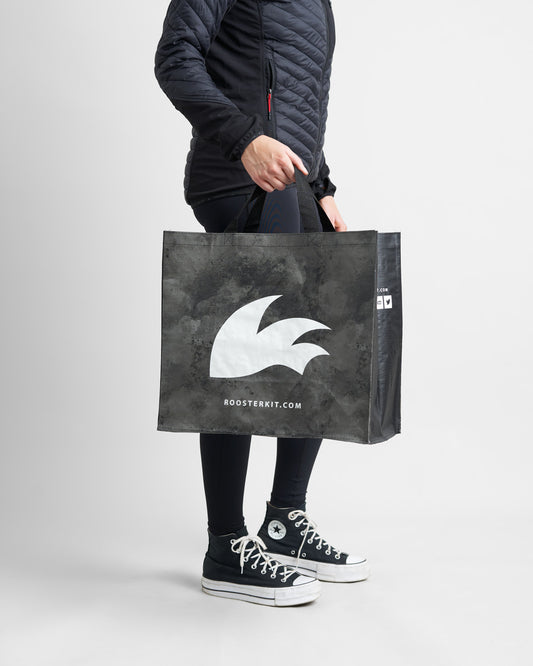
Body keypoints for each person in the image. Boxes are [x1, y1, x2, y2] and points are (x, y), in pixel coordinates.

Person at [154, 0, 369, 606]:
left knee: (314, 347)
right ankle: (226, 544)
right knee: (240, 357)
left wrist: (320, 185)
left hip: (293, 186)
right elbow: (175, 57)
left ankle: (284, 522)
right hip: (237, 179)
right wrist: (244, 139)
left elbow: (298, 101)